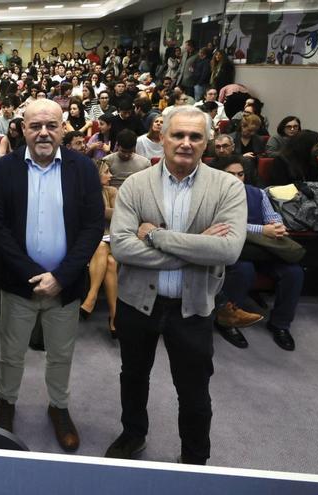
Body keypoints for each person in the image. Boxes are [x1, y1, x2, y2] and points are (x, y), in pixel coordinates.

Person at [106, 106, 247, 465]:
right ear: (162, 138)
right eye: (178, 135)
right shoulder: (135, 184)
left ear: (207, 142)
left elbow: (228, 249)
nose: (185, 143)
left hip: (194, 307)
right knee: (133, 377)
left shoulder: (228, 186)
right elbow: (122, 246)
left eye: (195, 136)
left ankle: (195, 457)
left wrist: (154, 235)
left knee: (194, 390)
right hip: (138, 303)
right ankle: (133, 434)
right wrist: (197, 249)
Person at [0, 99, 105, 452]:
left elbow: (93, 226)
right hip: (18, 285)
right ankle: (6, 404)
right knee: (11, 351)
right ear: (22, 128)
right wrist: (34, 275)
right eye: (35, 125)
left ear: (63, 128)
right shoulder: (3, 169)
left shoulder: (82, 168)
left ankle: (59, 408)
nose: (43, 132)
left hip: (64, 288)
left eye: (51, 125)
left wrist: (61, 277)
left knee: (61, 353)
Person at [214, 155, 301, 351]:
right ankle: (227, 319)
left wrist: (276, 226)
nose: (237, 179)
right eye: (231, 175)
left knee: (293, 272)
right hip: (236, 248)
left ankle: (280, 324)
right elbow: (224, 226)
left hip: (263, 248)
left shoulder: (257, 193)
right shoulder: (214, 195)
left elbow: (271, 216)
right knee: (244, 270)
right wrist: (262, 230)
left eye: (241, 174)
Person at [79, 160, 119, 338]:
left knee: (103, 246)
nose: (110, 176)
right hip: (90, 242)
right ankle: (115, 317)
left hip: (112, 239)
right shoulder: (82, 192)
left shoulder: (112, 191)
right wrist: (105, 210)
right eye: (106, 172)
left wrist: (102, 210)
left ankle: (91, 297)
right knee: (110, 262)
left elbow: (118, 214)